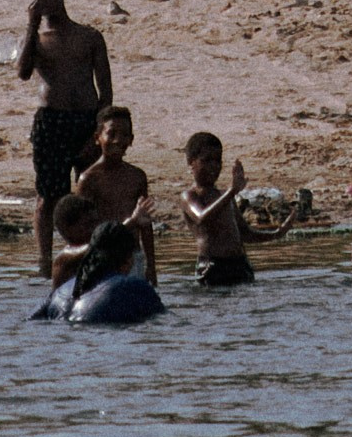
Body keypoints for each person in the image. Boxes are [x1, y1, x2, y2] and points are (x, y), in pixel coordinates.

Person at [18, 0, 113, 276]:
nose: (43, 4)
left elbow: (106, 92)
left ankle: (94, 252)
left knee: (91, 191)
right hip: (51, 122)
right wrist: (31, 25)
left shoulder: (89, 37)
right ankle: (45, 262)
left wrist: (97, 133)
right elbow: (22, 71)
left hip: (86, 121)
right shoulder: (37, 38)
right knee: (48, 196)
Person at [181, 130, 285, 287]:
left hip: (239, 265)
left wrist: (276, 234)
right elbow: (202, 218)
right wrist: (232, 192)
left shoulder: (225, 197)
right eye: (207, 160)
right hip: (212, 268)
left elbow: (245, 233)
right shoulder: (189, 196)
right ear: (191, 162)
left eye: (217, 161)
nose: (213, 167)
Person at [32, 210, 165, 325]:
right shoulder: (135, 288)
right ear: (128, 258)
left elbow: (32, 320)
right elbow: (165, 320)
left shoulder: (62, 290)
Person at [74, 105, 156, 282]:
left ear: (132, 139)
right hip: (103, 258)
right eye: (111, 134)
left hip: (133, 255)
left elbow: (145, 224)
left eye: (125, 135)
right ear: (98, 138)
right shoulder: (88, 179)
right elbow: (81, 229)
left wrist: (151, 265)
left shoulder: (137, 177)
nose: (118, 140)